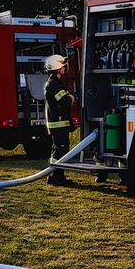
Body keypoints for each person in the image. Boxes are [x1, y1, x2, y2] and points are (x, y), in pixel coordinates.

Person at [44, 54, 75, 186]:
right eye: (63, 66)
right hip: (59, 124)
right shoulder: (54, 85)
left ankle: (56, 175)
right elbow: (65, 101)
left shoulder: (53, 83)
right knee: (60, 150)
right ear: (57, 68)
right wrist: (72, 97)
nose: (65, 68)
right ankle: (55, 177)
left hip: (58, 123)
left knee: (58, 150)